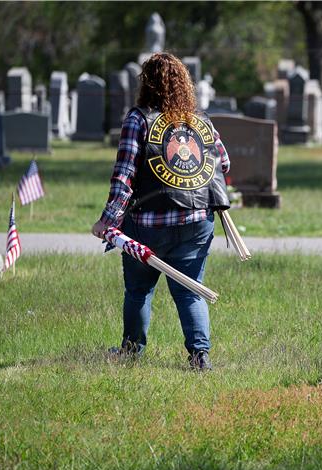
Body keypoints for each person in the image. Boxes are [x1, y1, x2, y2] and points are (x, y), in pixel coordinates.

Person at [91, 53, 231, 371]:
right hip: (197, 220)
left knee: (139, 290)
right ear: (184, 84)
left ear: (146, 84)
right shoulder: (200, 121)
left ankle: (131, 351)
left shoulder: (139, 119)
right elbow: (223, 164)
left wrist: (107, 221)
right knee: (190, 290)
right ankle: (200, 357)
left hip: (146, 224)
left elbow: (124, 176)